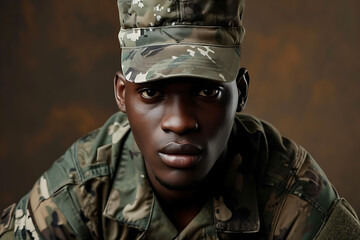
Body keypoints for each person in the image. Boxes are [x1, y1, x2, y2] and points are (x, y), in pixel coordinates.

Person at [0, 0, 359, 239]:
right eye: (152, 92)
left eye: (207, 92)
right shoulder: (82, 191)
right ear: (122, 94)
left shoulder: (293, 196)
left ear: (242, 92)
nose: (180, 121)